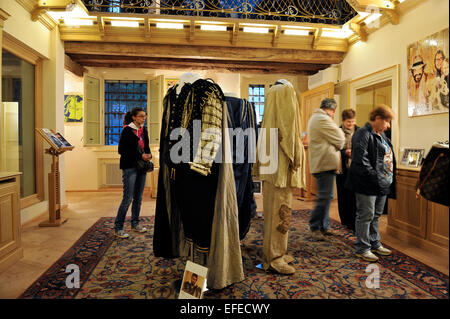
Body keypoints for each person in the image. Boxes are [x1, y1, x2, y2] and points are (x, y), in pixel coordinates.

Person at [345, 105, 396, 262]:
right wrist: (376, 178)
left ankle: (374, 243)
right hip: (367, 183)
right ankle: (362, 248)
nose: (388, 126)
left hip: (382, 184)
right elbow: (361, 161)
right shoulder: (363, 133)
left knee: (376, 215)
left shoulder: (382, 136)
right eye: (387, 122)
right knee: (365, 215)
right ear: (378, 118)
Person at [307, 98, 345, 241]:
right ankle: (315, 226)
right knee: (324, 197)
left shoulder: (316, 118)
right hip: (324, 164)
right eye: (334, 112)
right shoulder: (323, 119)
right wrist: (338, 137)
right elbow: (341, 141)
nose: (334, 115)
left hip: (322, 163)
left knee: (326, 196)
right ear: (331, 110)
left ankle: (324, 226)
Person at [114, 107, 152, 238]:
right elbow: (122, 151)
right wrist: (140, 156)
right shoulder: (127, 131)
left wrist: (148, 155)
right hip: (129, 167)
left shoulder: (143, 130)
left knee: (138, 198)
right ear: (134, 117)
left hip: (141, 167)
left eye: (144, 116)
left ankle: (135, 224)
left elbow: (146, 146)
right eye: (141, 116)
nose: (144, 118)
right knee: (128, 198)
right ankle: (118, 228)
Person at [336, 109, 359, 231]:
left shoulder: (360, 131)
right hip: (341, 168)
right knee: (343, 195)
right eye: (348, 122)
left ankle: (353, 222)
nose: (351, 125)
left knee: (353, 197)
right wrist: (344, 152)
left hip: (355, 169)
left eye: (353, 122)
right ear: (343, 121)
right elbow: (333, 149)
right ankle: (344, 221)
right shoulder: (337, 132)